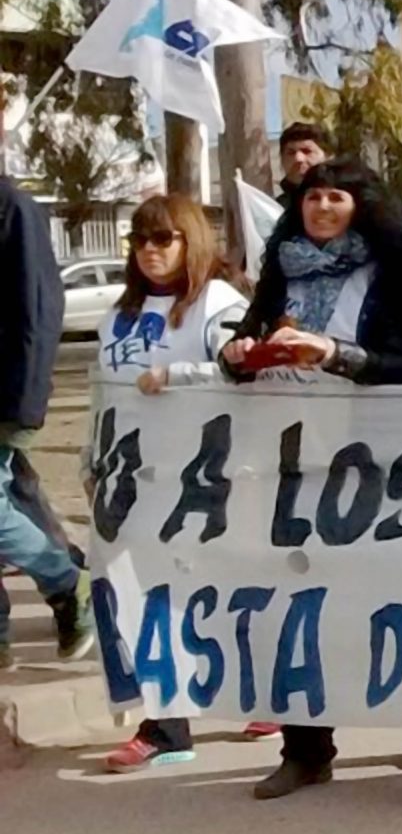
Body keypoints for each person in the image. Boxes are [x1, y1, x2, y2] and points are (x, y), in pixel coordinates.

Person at [207, 160, 402, 797]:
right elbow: (249, 338)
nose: (323, 207)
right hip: (287, 457)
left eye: (336, 197)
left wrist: (333, 353)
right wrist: (236, 355)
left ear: (360, 206)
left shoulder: (391, 269)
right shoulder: (283, 265)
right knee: (292, 603)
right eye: (312, 197)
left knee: (394, 594)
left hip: (375, 458)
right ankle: (306, 747)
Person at [85, 196, 251, 771]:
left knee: (220, 593)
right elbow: (102, 388)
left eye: (164, 240)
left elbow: (244, 370)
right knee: (143, 592)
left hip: (207, 475)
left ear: (190, 240)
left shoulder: (217, 302)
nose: (151, 252)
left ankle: (260, 695)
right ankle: (166, 724)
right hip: (134, 478)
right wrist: (92, 456)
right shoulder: (120, 313)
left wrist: (179, 375)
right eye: (140, 241)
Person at [0, 171, 90, 674]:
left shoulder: (12, 206)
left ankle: (65, 579)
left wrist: (26, 398)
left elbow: (38, 306)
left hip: (6, 392)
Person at [278, 122, 330, 192]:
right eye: (291, 153)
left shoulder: (344, 199)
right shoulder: (274, 203)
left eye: (307, 151)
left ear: (327, 156)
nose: (298, 159)